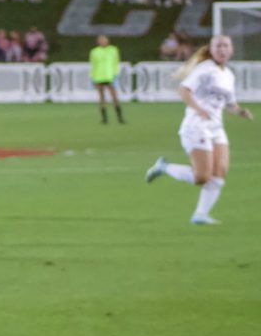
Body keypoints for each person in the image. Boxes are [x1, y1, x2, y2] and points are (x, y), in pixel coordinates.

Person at [145, 35, 254, 225]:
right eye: (218, 46)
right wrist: (198, 109)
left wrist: (240, 111)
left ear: (231, 50)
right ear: (211, 50)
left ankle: (200, 215)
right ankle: (164, 167)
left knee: (220, 172)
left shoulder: (228, 74)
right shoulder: (205, 69)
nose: (222, 49)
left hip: (216, 128)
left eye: (225, 46)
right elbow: (184, 90)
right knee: (202, 177)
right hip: (196, 126)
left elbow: (229, 103)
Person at [89, 35, 125, 124]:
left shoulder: (113, 50)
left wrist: (115, 74)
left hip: (110, 76)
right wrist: (92, 77)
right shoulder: (94, 51)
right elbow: (93, 65)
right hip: (99, 76)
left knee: (114, 97)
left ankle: (120, 118)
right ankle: (104, 119)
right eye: (101, 40)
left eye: (104, 40)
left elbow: (116, 63)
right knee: (102, 97)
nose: (103, 41)